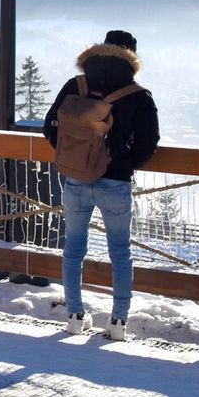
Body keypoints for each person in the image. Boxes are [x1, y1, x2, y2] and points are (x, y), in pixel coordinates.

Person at [43, 30, 159, 342]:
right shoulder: (137, 95)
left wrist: (72, 158)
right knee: (120, 251)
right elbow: (150, 142)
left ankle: (75, 316)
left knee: (73, 248)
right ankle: (118, 322)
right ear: (132, 56)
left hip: (75, 179)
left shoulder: (76, 85)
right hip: (116, 183)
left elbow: (49, 125)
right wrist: (122, 162)